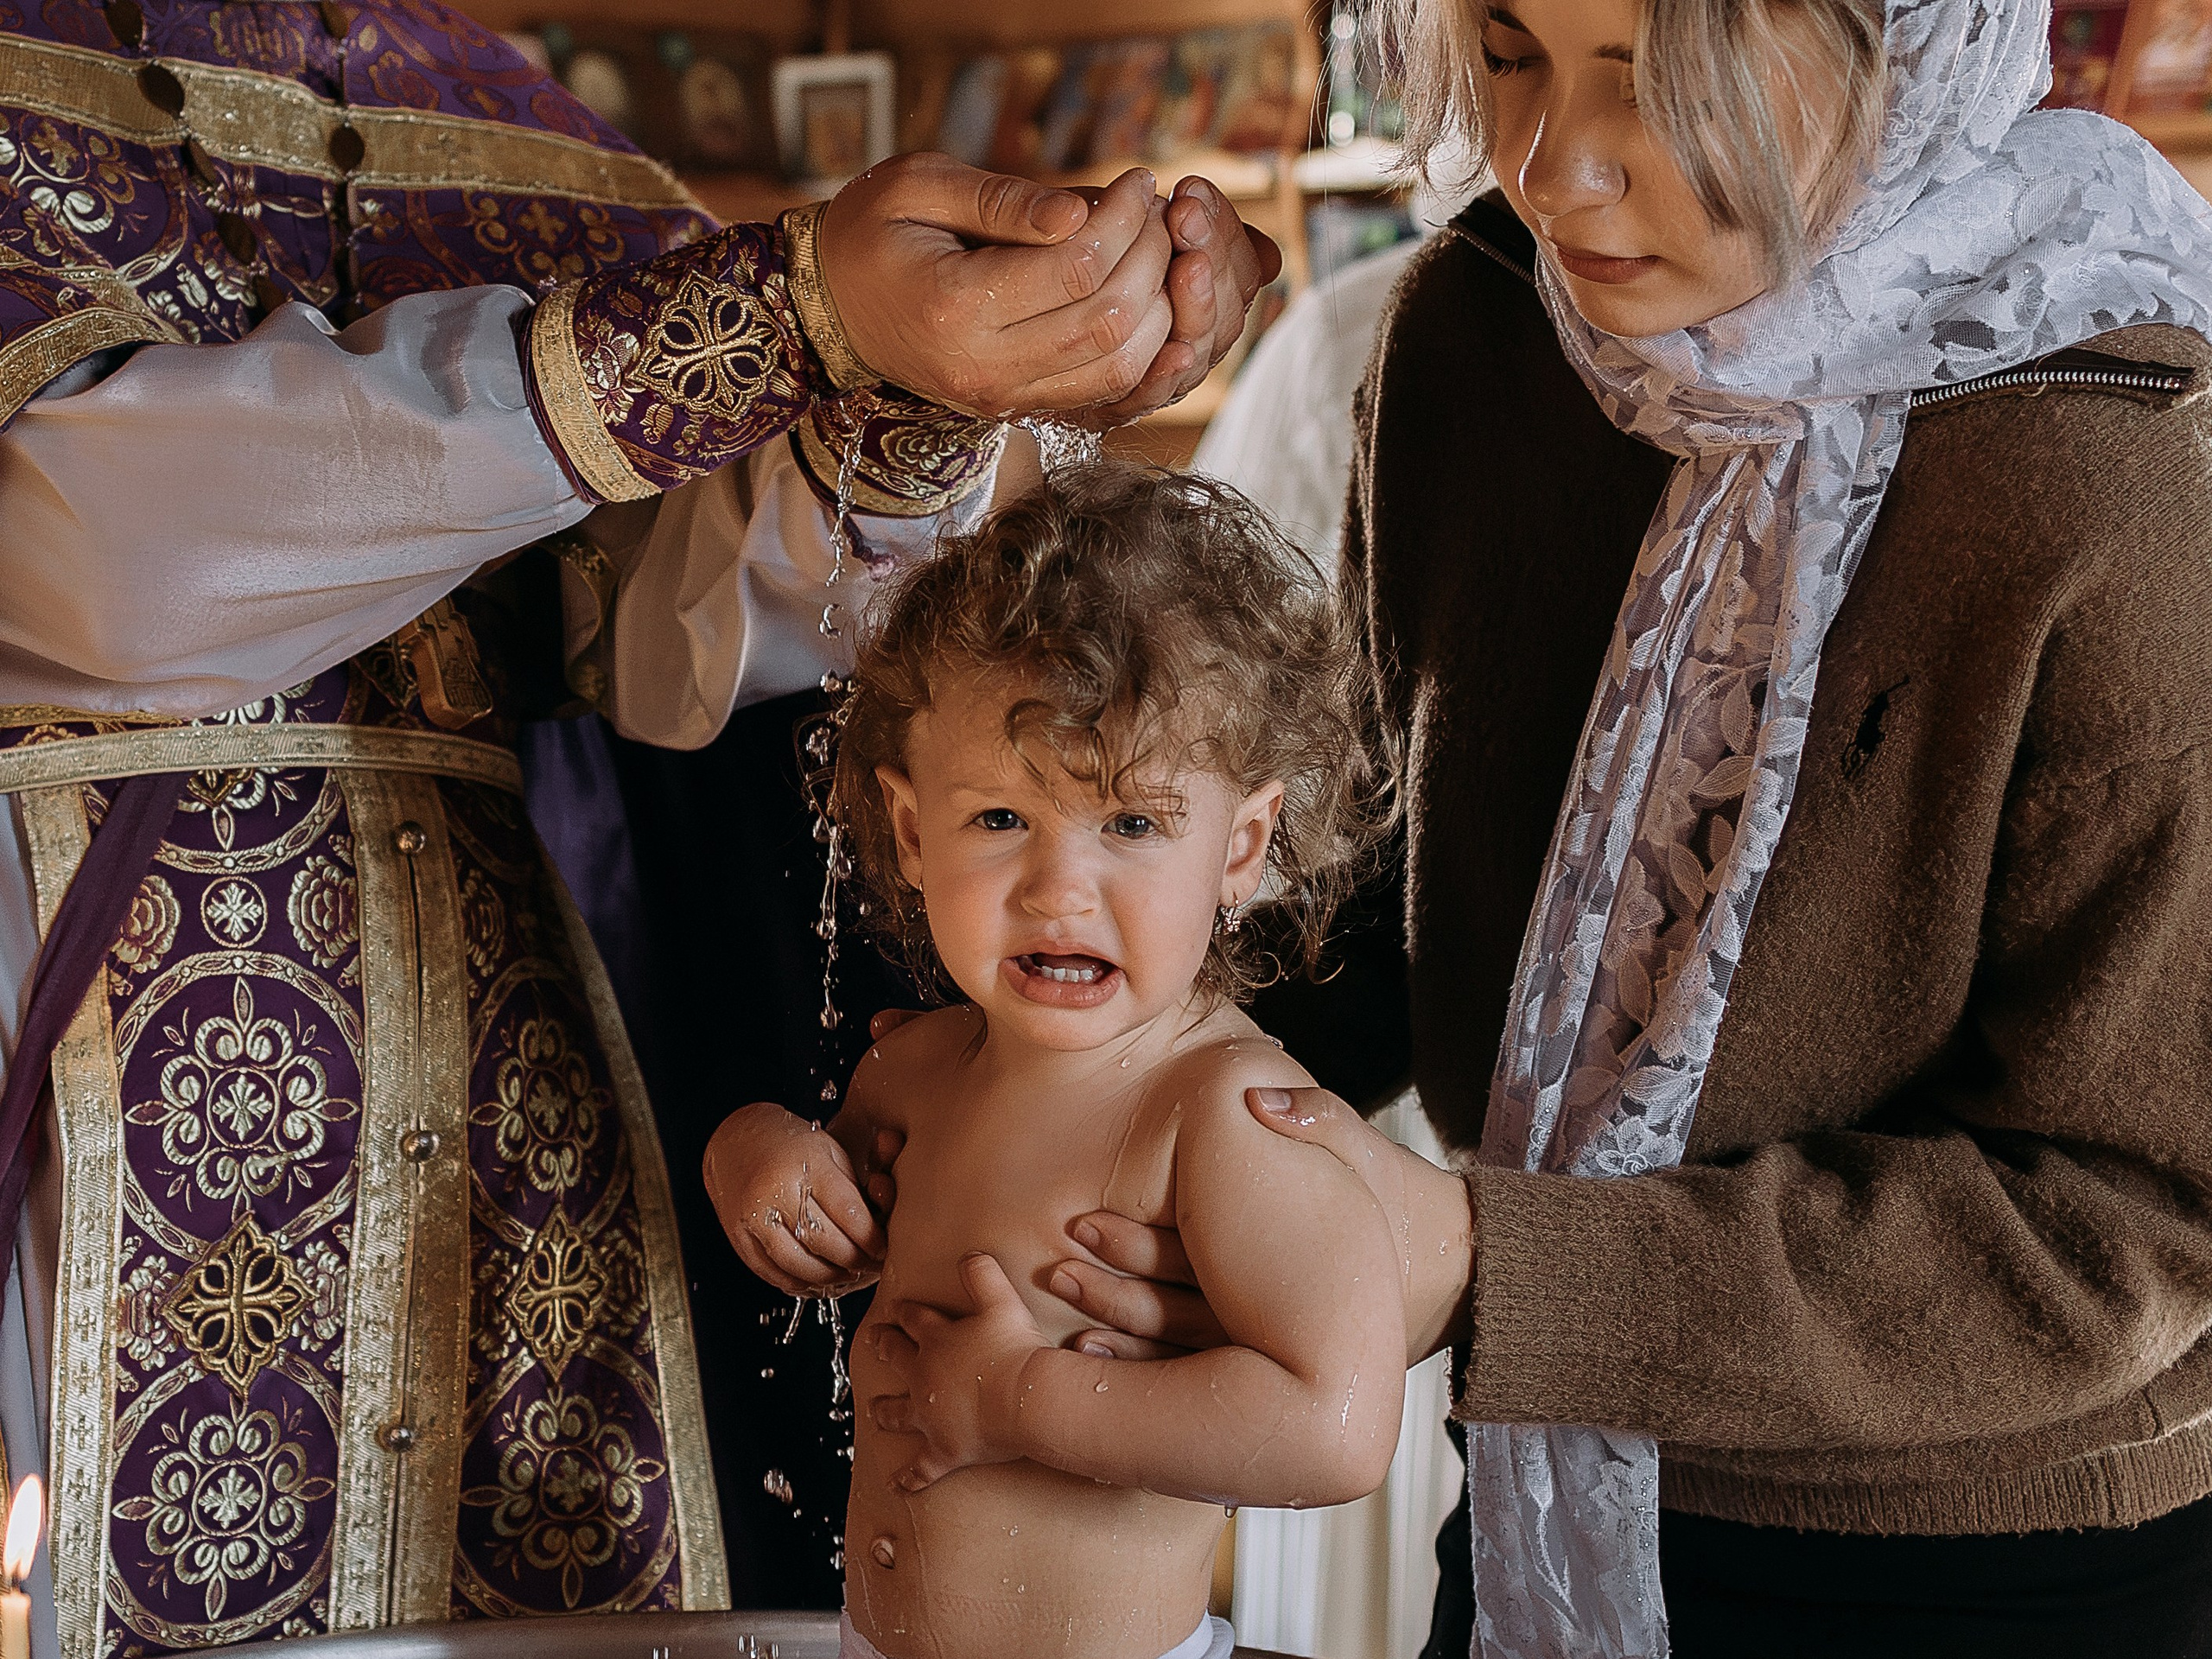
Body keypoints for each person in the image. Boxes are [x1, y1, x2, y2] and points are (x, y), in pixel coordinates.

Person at [0, 3, 1276, 1649]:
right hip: (72, 1036)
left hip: (530, 1102)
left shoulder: (477, 99)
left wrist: (920, 395)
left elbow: (684, 632)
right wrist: (781, 316)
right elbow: (89, 569)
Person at [987, 0, 2212, 1655]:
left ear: (1902, 46)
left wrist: (1484, 1261)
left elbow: (2131, 1225)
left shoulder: (2122, 469)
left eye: (1659, 79)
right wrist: (1068, 1095)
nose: (1553, 166)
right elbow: (1369, 911)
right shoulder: (1480, 344)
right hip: (1533, 1507)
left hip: (1974, 1566)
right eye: (1506, 56)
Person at [702, 465, 1403, 1659]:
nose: (1057, 890)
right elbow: (834, 1231)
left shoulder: (1223, 1115)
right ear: (913, 831)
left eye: (1130, 824)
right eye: (1000, 820)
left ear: (1240, 850)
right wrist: (754, 1158)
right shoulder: (917, 1073)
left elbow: (1332, 1426)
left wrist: (1018, 1401)